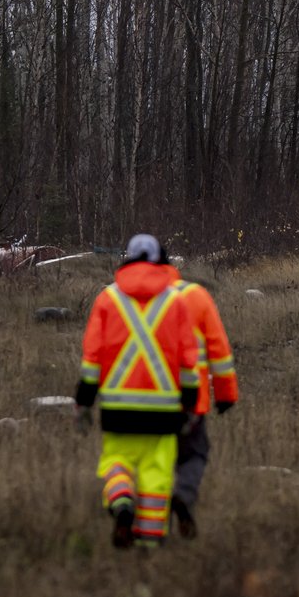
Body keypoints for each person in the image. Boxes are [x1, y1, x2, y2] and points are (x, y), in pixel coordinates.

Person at [75, 234, 198, 549]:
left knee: (116, 463)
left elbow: (92, 357)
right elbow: (189, 360)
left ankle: (121, 502)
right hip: (164, 412)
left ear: (127, 257)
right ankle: (148, 546)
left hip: (118, 410)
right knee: (156, 476)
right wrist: (189, 403)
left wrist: (84, 401)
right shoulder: (175, 302)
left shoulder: (108, 299)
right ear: (160, 260)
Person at [160, 257, 239, 540]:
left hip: (144, 399)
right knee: (194, 453)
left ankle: (151, 530)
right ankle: (184, 494)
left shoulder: (125, 298)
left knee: (153, 464)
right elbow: (219, 350)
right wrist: (226, 394)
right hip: (190, 399)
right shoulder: (195, 295)